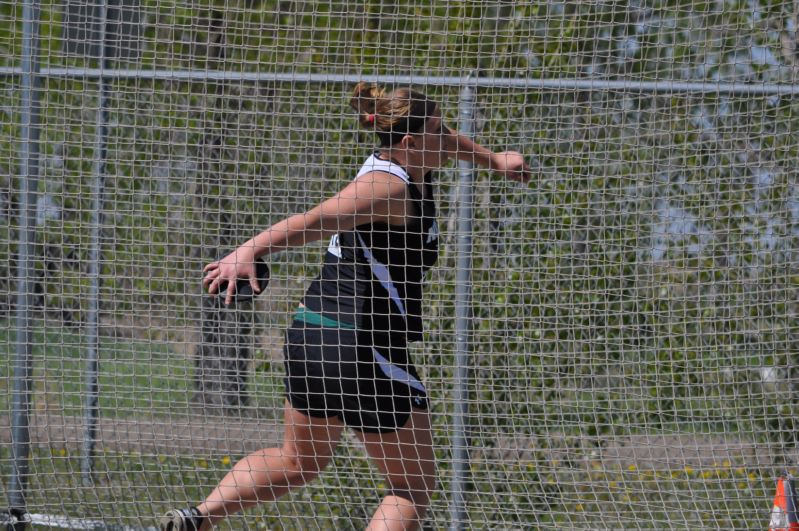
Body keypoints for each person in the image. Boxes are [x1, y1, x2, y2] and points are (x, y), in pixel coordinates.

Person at [160, 82, 530, 531]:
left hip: (312, 333)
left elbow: (449, 141)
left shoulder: (412, 159)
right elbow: (313, 221)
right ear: (411, 142)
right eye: (438, 129)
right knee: (411, 487)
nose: (449, 138)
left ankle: (197, 519)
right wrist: (248, 251)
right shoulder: (385, 188)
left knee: (299, 462)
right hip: (363, 342)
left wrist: (494, 160)